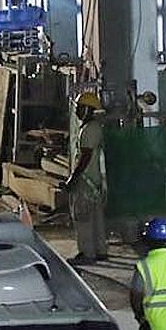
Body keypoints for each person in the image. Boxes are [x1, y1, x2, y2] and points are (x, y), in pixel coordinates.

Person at [65, 91, 109, 262]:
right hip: (95, 180)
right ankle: (100, 250)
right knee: (97, 218)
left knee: (83, 217)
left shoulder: (89, 130)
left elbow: (85, 157)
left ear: (88, 110)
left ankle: (87, 253)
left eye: (79, 108)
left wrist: (72, 179)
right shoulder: (94, 127)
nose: (76, 111)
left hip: (85, 180)